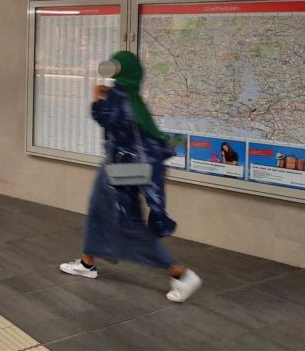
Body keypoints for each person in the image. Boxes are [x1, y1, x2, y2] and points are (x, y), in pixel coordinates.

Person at [60, 51, 202, 304]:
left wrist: (96, 96)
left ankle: (180, 273)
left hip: (121, 167)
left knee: (127, 223)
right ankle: (87, 262)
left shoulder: (120, 94)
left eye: (114, 66)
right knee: (98, 210)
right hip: (128, 166)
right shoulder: (134, 96)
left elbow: (104, 116)